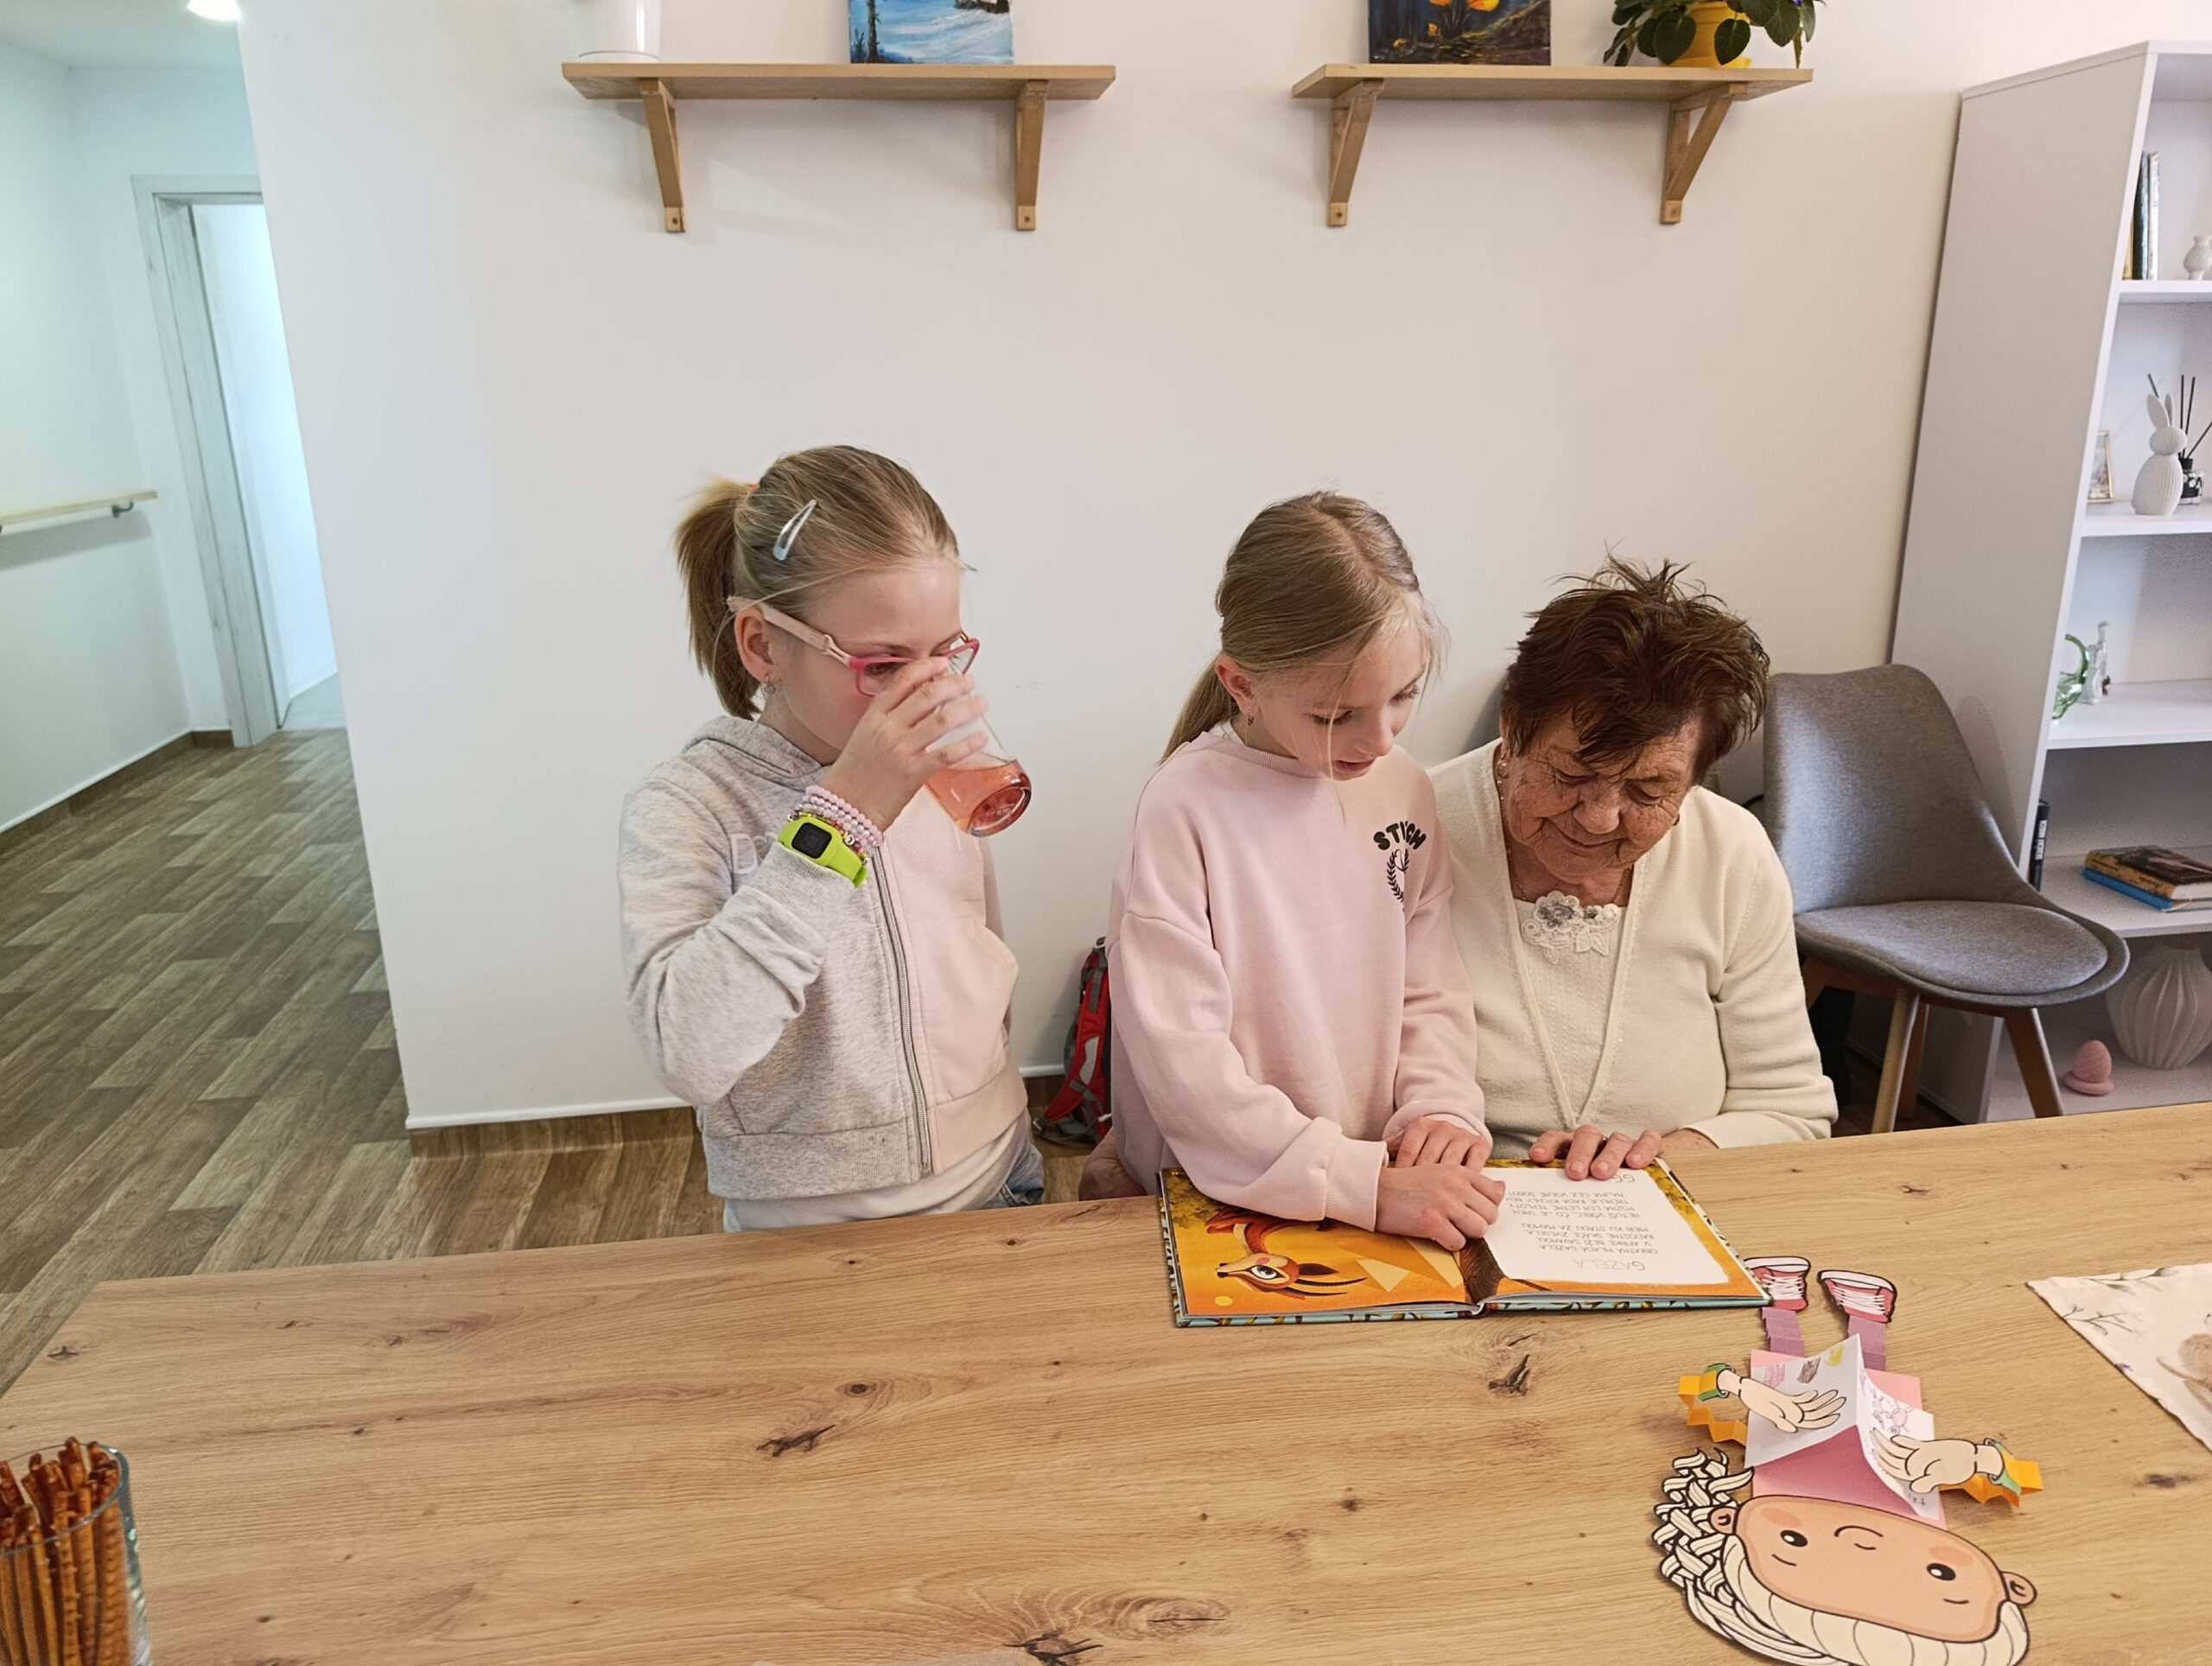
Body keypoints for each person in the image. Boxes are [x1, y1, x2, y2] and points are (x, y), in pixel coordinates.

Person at [619, 446, 1039, 1230]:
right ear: (761, 645)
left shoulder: (941, 775)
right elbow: (689, 1053)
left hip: (1000, 1182)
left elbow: (980, 960)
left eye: (945, 655)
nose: (929, 694)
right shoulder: (689, 805)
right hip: (804, 1230)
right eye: (883, 665)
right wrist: (842, 818)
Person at [1087, 492, 1500, 1250]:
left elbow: (1429, 982)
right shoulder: (1180, 809)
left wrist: (1441, 1105)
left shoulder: (1404, 787)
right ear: (1242, 684)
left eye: (1404, 696)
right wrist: (1357, 1182)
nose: (1381, 740)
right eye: (1336, 716)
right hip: (1223, 1194)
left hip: (1369, 1178)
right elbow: (1186, 1067)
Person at [1430, 559, 1836, 1174]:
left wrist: (1658, 1161)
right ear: (1512, 730)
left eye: (1648, 791)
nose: (1599, 819)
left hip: (1668, 1200)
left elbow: (1791, 1113)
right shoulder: (1406, 832)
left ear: (1695, 780)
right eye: (1571, 775)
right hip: (1443, 1196)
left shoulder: (1730, 853)